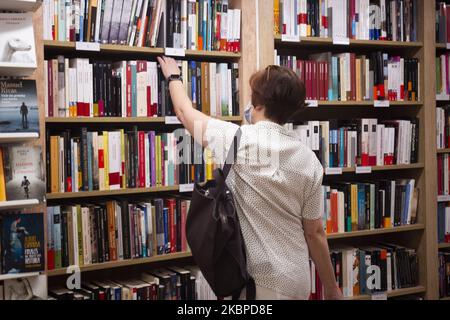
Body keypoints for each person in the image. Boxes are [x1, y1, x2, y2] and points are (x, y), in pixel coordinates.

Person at [158, 57, 343, 300]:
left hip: (261, 284)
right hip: (298, 281)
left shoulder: (236, 139)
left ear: (256, 103)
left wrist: (173, 77)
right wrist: (331, 287)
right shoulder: (309, 160)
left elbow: (184, 112)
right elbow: (315, 232)